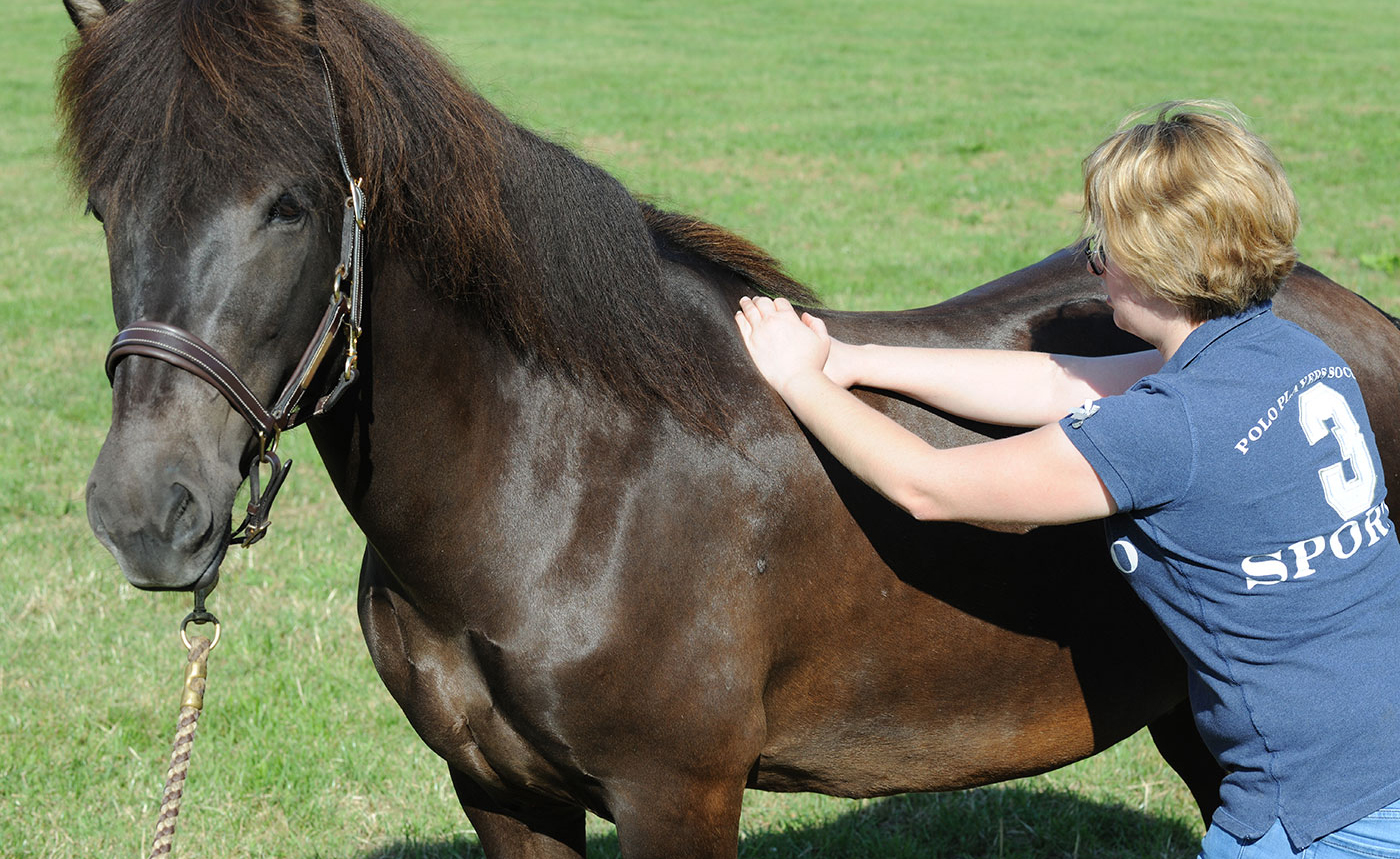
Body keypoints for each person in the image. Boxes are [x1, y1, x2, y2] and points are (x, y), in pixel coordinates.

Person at [734, 100, 1400, 858]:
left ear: (1158, 259)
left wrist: (800, 382)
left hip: (1315, 817)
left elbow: (927, 483)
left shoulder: (1165, 432)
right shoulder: (1299, 354)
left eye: (1106, 243)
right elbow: (1064, 384)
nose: (1094, 262)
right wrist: (857, 360)